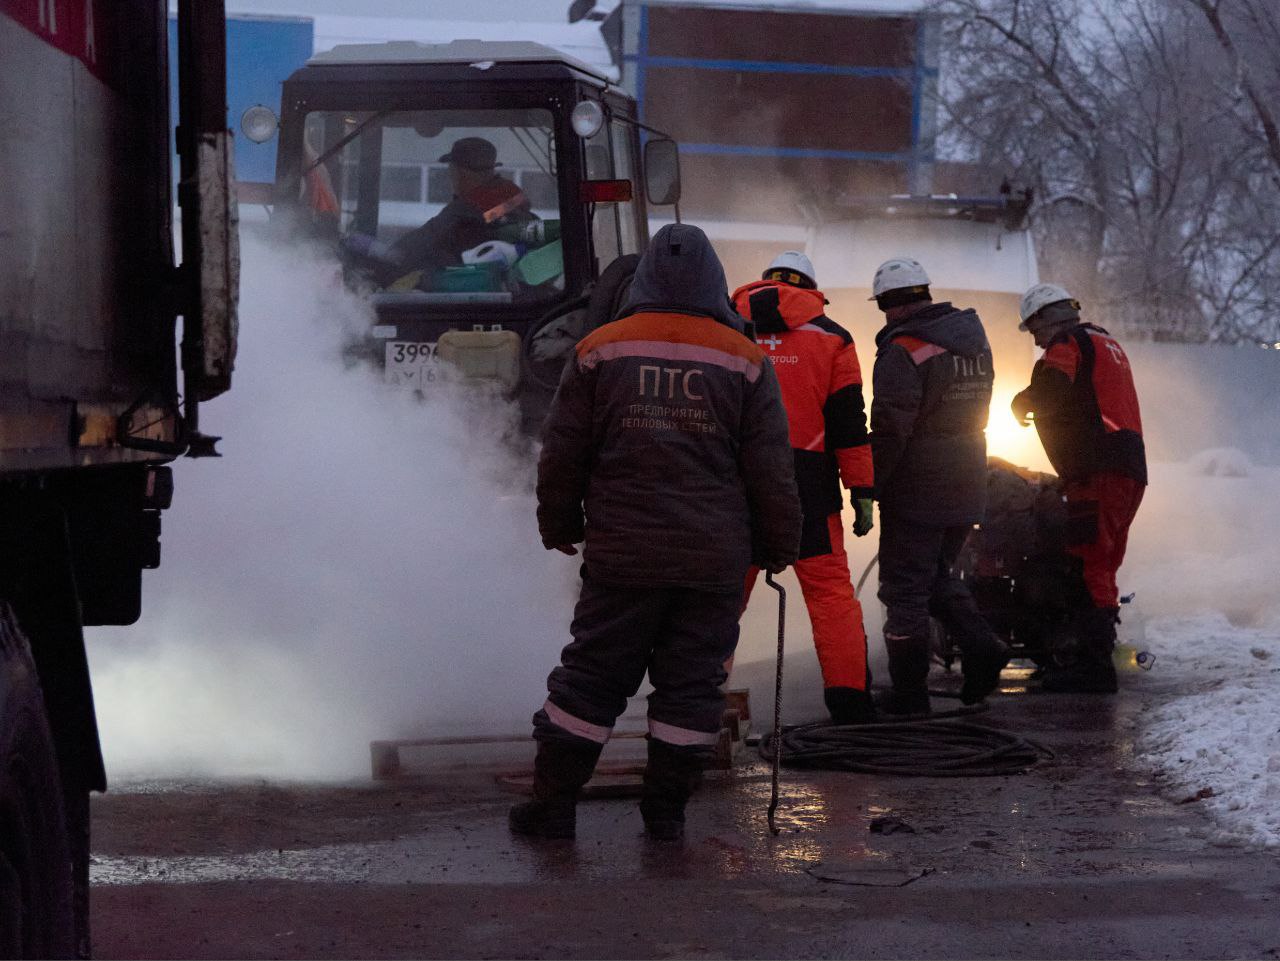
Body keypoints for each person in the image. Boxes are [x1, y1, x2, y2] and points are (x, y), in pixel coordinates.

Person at [514, 223, 801, 842]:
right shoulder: (745, 360)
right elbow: (771, 468)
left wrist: (558, 523)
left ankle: (553, 806)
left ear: (643, 278)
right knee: (692, 683)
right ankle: (666, 815)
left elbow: (563, 452)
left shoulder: (600, 349)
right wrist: (779, 545)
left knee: (591, 676)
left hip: (624, 555)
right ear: (715, 282)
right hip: (711, 560)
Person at [731, 251, 877, 725]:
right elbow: (848, 423)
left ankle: (696, 700)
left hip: (735, 482)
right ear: (810, 287)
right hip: (807, 486)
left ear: (762, 281)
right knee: (830, 594)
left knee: (722, 595)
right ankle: (850, 702)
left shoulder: (726, 328)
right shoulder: (831, 338)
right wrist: (861, 489)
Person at [868, 257, 1010, 715]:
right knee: (936, 577)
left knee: (904, 589)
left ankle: (909, 695)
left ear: (890, 303)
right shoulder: (973, 340)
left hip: (918, 485)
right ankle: (983, 646)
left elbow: (891, 427)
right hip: (968, 476)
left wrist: (871, 483)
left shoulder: (903, 349)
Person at [1011, 283, 1146, 693]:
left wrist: (1023, 400)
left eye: (1035, 331)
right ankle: (1091, 660)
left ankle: (1093, 668)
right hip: (1127, 469)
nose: (1036, 341)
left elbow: (1053, 388)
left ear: (1048, 320)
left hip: (1097, 471)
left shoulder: (1068, 343)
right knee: (1101, 562)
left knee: (1087, 563)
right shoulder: (1106, 343)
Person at [389, 136, 534, 281]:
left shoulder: (466, 211)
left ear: (460, 173)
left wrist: (386, 259)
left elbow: (418, 245)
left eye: (451, 170)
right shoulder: (513, 202)